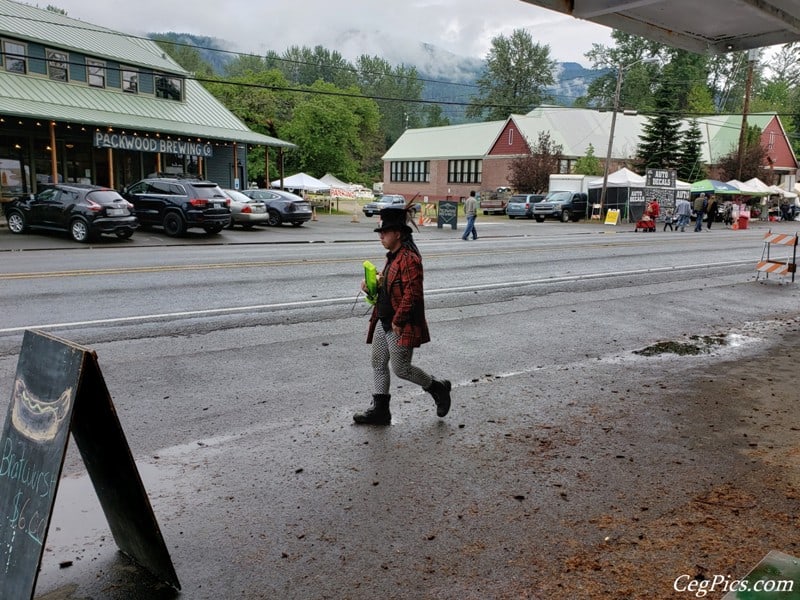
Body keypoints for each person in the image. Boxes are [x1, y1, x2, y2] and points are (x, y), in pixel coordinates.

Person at [353, 206, 452, 426]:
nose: (381, 236)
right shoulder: (393, 256)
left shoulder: (410, 259)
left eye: (384, 232)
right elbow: (390, 285)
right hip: (383, 319)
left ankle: (438, 388)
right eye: (380, 232)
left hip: (399, 323)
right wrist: (373, 285)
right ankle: (380, 412)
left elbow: (413, 293)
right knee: (378, 363)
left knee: (401, 369)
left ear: (398, 233)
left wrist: (398, 321)